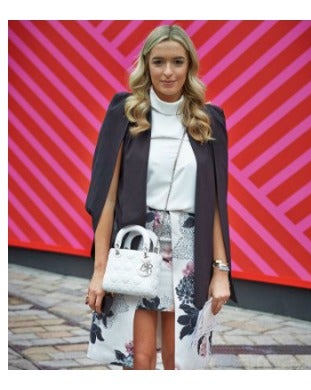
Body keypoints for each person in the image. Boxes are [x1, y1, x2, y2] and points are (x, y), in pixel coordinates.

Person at [84, 25, 235, 369]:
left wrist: (221, 270)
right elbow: (106, 199)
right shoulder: (126, 114)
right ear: (146, 65)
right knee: (138, 359)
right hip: (137, 246)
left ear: (190, 66)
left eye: (177, 62)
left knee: (179, 360)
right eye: (159, 62)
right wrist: (99, 271)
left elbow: (215, 205)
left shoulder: (207, 120)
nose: (168, 72)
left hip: (190, 248)